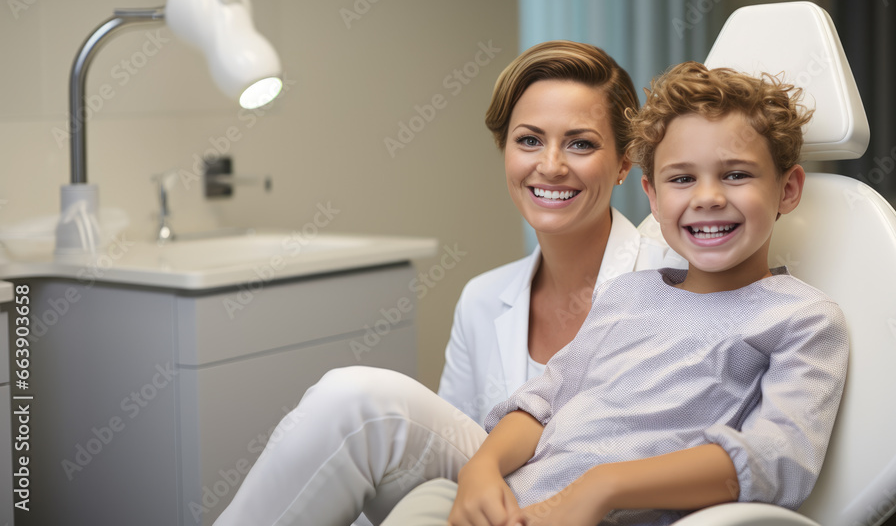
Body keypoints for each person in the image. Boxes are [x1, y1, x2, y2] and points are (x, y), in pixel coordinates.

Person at [213, 41, 680, 526]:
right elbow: (446, 456)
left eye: (581, 143)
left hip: (601, 508)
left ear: (626, 162)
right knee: (355, 416)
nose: (551, 164)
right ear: (505, 150)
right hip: (498, 497)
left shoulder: (676, 282)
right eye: (529, 140)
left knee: (358, 401)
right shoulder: (481, 299)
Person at [378, 61, 850, 526]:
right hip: (506, 503)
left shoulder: (802, 319)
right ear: (653, 195)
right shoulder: (629, 295)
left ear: (788, 189)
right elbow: (541, 401)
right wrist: (481, 468)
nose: (707, 197)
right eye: (682, 179)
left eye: (736, 174)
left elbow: (778, 461)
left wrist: (603, 487)